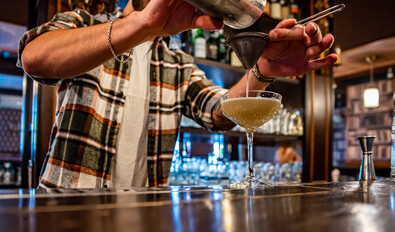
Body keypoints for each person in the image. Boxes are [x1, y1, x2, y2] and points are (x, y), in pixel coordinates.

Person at [17, 0, 337, 188]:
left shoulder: (177, 63)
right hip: (69, 214)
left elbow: (221, 112)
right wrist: (143, 24)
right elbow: (33, 57)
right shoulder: (85, 23)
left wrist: (264, 70)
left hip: (146, 218)